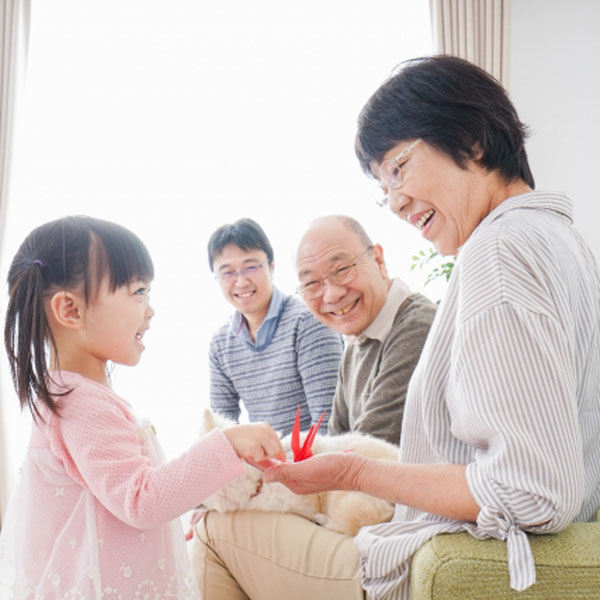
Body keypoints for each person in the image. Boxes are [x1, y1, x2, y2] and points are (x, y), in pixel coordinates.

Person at [194, 55, 600, 599]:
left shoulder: (498, 252)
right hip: (465, 546)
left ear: (472, 139)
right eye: (383, 186)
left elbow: (528, 489)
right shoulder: (559, 238)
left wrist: (353, 474)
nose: (396, 201)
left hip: (448, 557)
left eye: (398, 169)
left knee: (213, 532)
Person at [0, 215, 285, 599]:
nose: (150, 311)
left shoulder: (77, 396)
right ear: (71, 310)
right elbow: (141, 500)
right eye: (138, 292)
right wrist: (227, 443)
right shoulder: (79, 403)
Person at [296, 215, 435, 444]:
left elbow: (364, 449)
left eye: (342, 269)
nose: (332, 295)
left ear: (378, 260)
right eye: (311, 284)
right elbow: (335, 442)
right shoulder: (358, 340)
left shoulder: (416, 327)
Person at [207, 218, 344, 435]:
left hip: (319, 454)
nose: (241, 282)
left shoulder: (308, 322)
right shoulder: (221, 344)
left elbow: (328, 425)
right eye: (228, 272)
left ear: (272, 266)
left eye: (250, 267)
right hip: (267, 456)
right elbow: (221, 432)